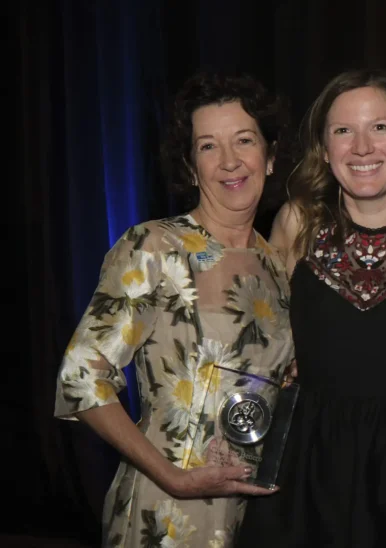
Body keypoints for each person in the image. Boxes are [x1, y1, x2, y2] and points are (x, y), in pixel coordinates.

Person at [54, 71, 294, 548]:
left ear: (269, 156)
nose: (229, 161)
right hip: (169, 511)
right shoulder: (154, 247)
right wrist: (174, 478)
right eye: (208, 146)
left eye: (244, 140)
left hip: (258, 511)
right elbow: (80, 378)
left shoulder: (276, 263)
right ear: (190, 166)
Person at [236, 68, 386, 547]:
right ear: (323, 148)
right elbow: (267, 345)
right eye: (343, 130)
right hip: (314, 472)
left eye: (379, 127)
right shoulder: (297, 223)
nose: (362, 147)